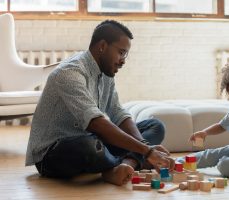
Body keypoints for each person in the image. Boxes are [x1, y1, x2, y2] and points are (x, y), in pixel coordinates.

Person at [26, 20, 174, 186]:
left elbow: (118, 113)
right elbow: (95, 123)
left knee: (155, 126)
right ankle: (122, 164)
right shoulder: (69, 73)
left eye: (125, 54)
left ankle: (125, 165)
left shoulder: (105, 73)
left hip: (93, 142)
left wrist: (145, 146)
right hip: (54, 154)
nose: (123, 60)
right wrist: (146, 151)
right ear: (102, 46)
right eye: (121, 52)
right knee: (89, 145)